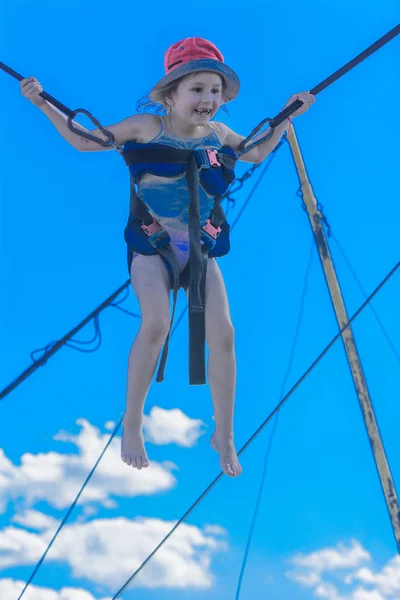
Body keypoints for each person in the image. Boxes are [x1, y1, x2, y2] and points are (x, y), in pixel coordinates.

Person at [20, 37, 315, 478]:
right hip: (151, 245)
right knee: (156, 321)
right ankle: (133, 422)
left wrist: (288, 116)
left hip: (199, 250)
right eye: (197, 89)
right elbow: (85, 141)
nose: (208, 100)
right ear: (170, 95)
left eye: (215, 91)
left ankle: (225, 433)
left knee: (225, 335)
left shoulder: (219, 135)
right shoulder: (145, 127)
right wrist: (43, 102)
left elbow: (253, 151)